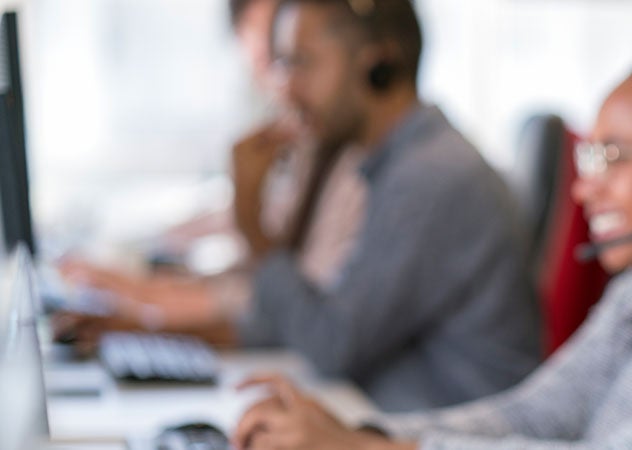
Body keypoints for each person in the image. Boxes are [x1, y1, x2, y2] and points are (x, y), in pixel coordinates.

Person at [230, 42, 632, 450]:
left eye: (612, 156)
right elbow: (534, 415)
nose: (584, 184)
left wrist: (363, 449)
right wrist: (362, 433)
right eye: (586, 155)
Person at [72, 0, 543, 413]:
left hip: (444, 425)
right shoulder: (393, 164)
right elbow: (313, 320)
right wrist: (152, 333)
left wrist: (253, 226)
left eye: (303, 64)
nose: (285, 90)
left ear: (377, 64)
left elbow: (332, 342)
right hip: (388, 411)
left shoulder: (430, 179)